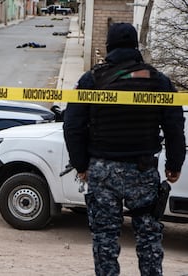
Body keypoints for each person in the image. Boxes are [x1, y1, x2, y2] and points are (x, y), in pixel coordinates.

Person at [63, 22, 185, 276]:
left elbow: (72, 125)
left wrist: (81, 165)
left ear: (109, 46)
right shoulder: (158, 80)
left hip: (102, 171)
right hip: (142, 171)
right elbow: (174, 125)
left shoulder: (91, 79)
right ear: (134, 46)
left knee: (105, 238)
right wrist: (174, 164)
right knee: (149, 237)